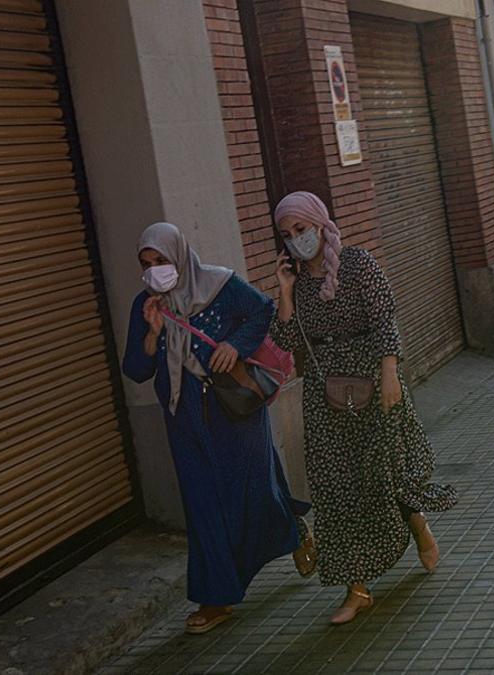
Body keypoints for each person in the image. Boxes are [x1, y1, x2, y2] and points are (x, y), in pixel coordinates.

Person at [269, 191, 457, 625]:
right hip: (323, 396)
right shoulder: (296, 282)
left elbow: (384, 319)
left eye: (301, 229)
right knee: (337, 491)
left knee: (383, 475)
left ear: (319, 223)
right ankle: (357, 587)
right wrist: (283, 292)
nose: (297, 239)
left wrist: (390, 372)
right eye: (287, 234)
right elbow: (284, 342)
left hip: (374, 382)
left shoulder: (357, 263)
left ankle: (416, 522)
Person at [122, 222, 315, 635]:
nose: (156, 270)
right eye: (147, 263)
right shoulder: (146, 304)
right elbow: (135, 371)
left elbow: (263, 311)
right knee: (203, 505)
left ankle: (291, 532)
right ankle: (217, 598)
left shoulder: (220, 285)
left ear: (180, 255)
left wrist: (235, 345)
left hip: (234, 409)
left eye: (162, 260)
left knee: (254, 490)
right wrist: (153, 335)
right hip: (184, 419)